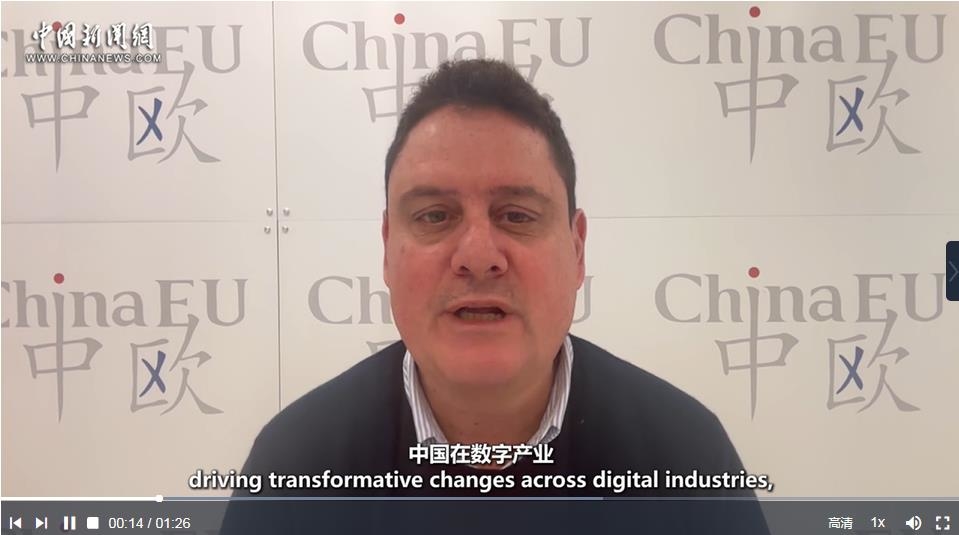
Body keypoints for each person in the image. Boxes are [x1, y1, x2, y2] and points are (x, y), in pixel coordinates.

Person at [230, 59, 760, 499]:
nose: (479, 256)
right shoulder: (293, 468)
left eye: (517, 215)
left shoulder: (687, 459)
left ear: (577, 250)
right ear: (387, 249)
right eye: (435, 216)